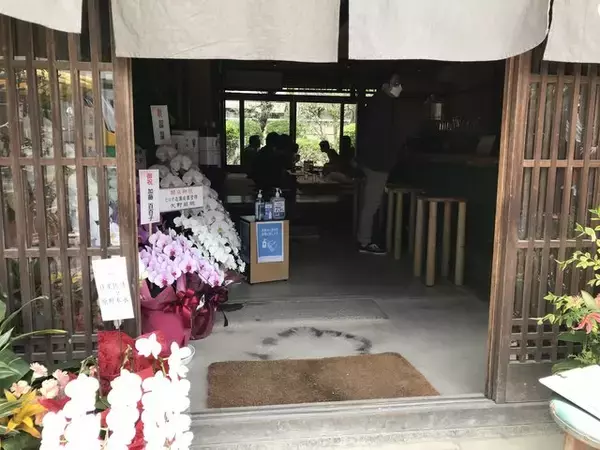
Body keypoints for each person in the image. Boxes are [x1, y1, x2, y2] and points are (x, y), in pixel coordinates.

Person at [356, 73, 404, 255]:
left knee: (370, 203)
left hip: (371, 161)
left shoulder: (376, 103)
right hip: (378, 163)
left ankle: (365, 239)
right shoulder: (384, 105)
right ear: (385, 85)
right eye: (396, 83)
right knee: (372, 203)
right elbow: (385, 136)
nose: (399, 87)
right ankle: (365, 241)